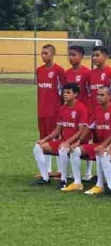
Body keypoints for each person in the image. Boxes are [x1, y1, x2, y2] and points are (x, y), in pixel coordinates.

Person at [32, 83, 90, 191]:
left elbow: (81, 130)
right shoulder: (62, 108)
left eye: (68, 93)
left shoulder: (81, 108)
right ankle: (45, 178)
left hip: (78, 143)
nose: (65, 95)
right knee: (37, 147)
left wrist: (68, 142)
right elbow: (58, 129)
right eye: (64, 92)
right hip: (64, 141)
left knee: (62, 149)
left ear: (76, 94)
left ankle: (63, 180)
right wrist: (44, 139)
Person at [79, 87, 111, 195]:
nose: (99, 97)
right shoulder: (97, 109)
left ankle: (102, 185)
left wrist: (105, 144)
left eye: (102, 95)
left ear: (110, 96)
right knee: (75, 150)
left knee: (101, 152)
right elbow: (89, 127)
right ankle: (76, 182)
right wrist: (78, 141)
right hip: (101, 143)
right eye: (98, 95)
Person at [89, 46, 111, 181]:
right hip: (96, 113)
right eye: (93, 55)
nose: (95, 58)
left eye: (97, 55)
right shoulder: (91, 73)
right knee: (97, 141)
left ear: (106, 56)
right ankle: (100, 174)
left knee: (110, 143)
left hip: (110, 114)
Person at [35, 44, 66, 179]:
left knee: (56, 138)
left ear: (53, 54)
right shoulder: (39, 70)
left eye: (46, 53)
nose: (43, 56)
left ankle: (60, 170)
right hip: (41, 111)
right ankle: (46, 170)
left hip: (54, 111)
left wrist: (60, 110)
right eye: (42, 53)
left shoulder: (59, 71)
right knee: (43, 139)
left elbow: (64, 91)